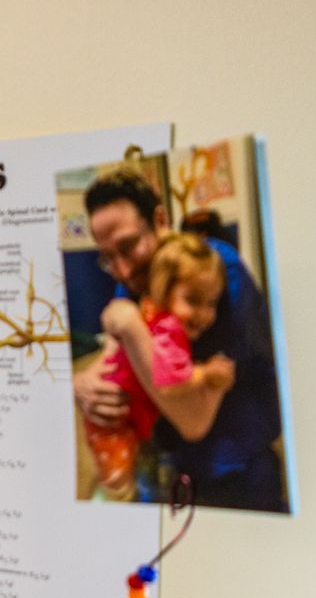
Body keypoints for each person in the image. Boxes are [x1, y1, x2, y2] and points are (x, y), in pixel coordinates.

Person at [73, 170, 286, 511]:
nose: (122, 271)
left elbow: (192, 420)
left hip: (229, 473)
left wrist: (128, 324)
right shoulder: (140, 278)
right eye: (108, 257)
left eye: (128, 246)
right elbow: (114, 357)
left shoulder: (210, 275)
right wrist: (80, 382)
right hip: (162, 467)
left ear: (160, 220)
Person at [87, 234, 233, 500]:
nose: (204, 314)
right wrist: (208, 373)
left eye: (211, 303)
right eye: (193, 300)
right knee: (120, 489)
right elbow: (169, 384)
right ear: (164, 292)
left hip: (123, 419)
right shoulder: (169, 330)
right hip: (115, 425)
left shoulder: (153, 316)